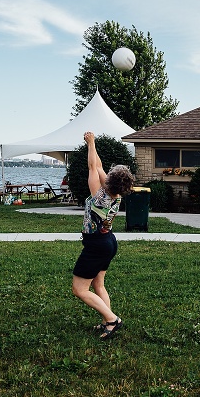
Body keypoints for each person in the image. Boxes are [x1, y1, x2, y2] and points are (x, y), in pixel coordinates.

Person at [71, 132, 135, 340]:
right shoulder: (114, 195)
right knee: (98, 285)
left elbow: (92, 167)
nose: (105, 173)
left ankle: (112, 319)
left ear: (110, 180)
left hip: (96, 246)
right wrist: (93, 145)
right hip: (108, 243)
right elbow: (98, 167)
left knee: (79, 289)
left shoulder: (100, 196)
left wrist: (91, 143)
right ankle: (107, 321)